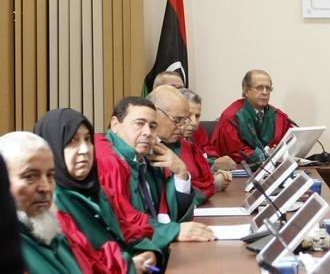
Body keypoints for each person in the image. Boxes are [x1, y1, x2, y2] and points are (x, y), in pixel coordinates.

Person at [33, 109, 160, 273]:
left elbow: (128, 231)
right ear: (51, 149)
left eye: (87, 139)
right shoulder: (48, 204)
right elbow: (77, 263)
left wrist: (146, 251)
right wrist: (128, 265)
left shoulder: (99, 191)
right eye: (73, 141)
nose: (85, 149)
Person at [94, 96, 214, 258]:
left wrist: (181, 173)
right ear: (115, 124)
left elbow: (171, 216)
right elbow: (123, 222)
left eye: (152, 126)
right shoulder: (107, 161)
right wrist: (173, 231)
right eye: (139, 123)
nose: (147, 132)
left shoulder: (148, 156)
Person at [0, 131, 124, 273]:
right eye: (30, 177)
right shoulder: (7, 252)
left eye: (50, 175)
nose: (46, 187)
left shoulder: (54, 232)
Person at [212, 69, 294, 164]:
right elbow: (234, 152)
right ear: (246, 91)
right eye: (259, 88)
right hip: (241, 170)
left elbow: (290, 141)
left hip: (272, 169)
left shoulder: (277, 116)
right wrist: (266, 156)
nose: (265, 92)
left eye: (268, 88)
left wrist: (279, 151)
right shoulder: (231, 117)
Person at [148, 86, 213, 205]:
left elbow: (206, 186)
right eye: (177, 120)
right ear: (154, 114)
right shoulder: (139, 148)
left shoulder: (183, 146)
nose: (183, 127)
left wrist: (182, 174)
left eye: (184, 121)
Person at [179, 88, 232, 199]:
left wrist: (212, 174)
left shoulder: (192, 136)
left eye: (197, 116)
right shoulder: (166, 146)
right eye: (188, 115)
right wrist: (214, 184)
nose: (194, 122)